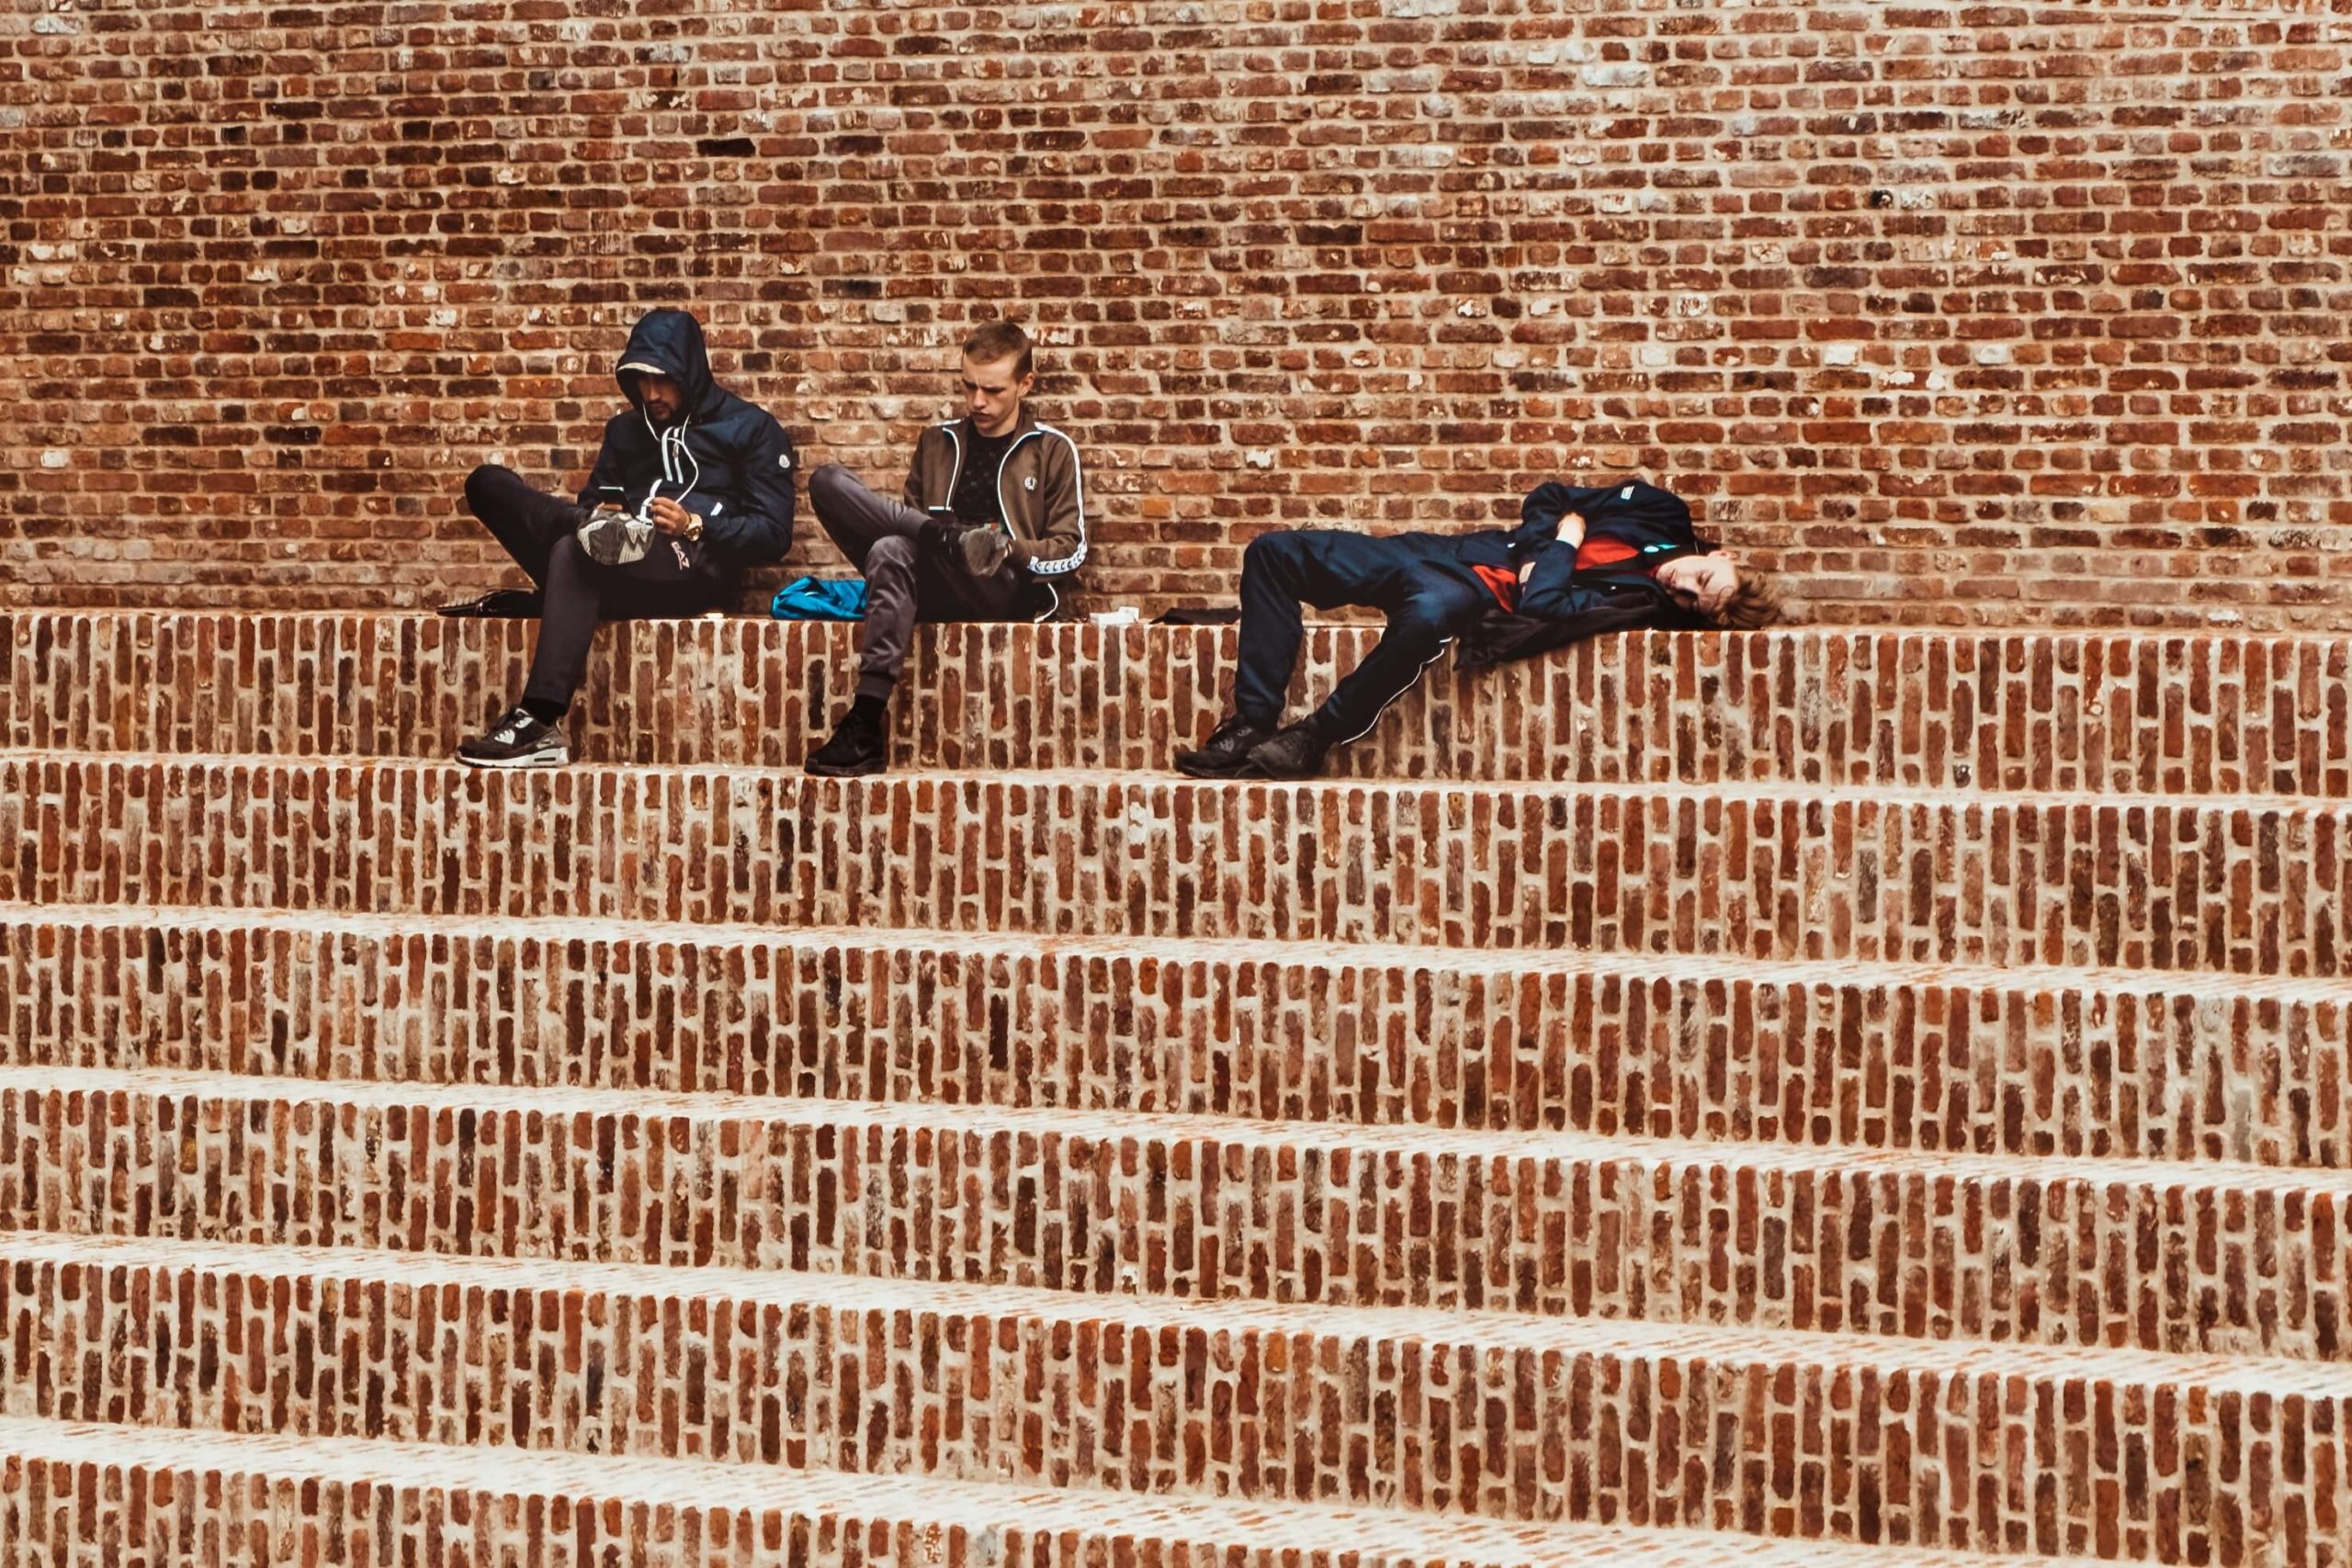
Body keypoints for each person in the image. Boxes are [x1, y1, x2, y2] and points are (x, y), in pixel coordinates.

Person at [1175, 479, 1782, 780]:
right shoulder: (1660, 510)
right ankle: (1251, 721)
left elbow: (1542, 602)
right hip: (1448, 552)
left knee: (1433, 618)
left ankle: (1313, 737)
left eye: (1692, 602)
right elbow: (1553, 494)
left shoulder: (1639, 603)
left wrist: (1565, 545)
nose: (1683, 587)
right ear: (1721, 553)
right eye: (1701, 578)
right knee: (1273, 554)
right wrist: (1553, 538)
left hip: (1469, 592)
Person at [446, 308, 797, 767]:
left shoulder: (750, 429)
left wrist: (696, 524)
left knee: (573, 548)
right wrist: (600, 513)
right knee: (487, 483)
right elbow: (594, 496)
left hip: (690, 568)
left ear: (689, 372)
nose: (651, 393)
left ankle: (538, 720)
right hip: (609, 565)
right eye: (640, 380)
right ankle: (600, 530)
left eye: (663, 380)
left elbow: (774, 534)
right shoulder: (626, 431)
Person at [800, 319, 1087, 777]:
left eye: (992, 390)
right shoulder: (937, 443)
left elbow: (1072, 550)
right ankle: (866, 728)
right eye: (969, 386)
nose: (977, 401)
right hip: (934, 574)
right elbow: (906, 534)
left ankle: (865, 719)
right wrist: (943, 541)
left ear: (1025, 384)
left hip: (1001, 587)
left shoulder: (1051, 450)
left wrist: (1003, 548)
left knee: (895, 547)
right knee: (835, 491)